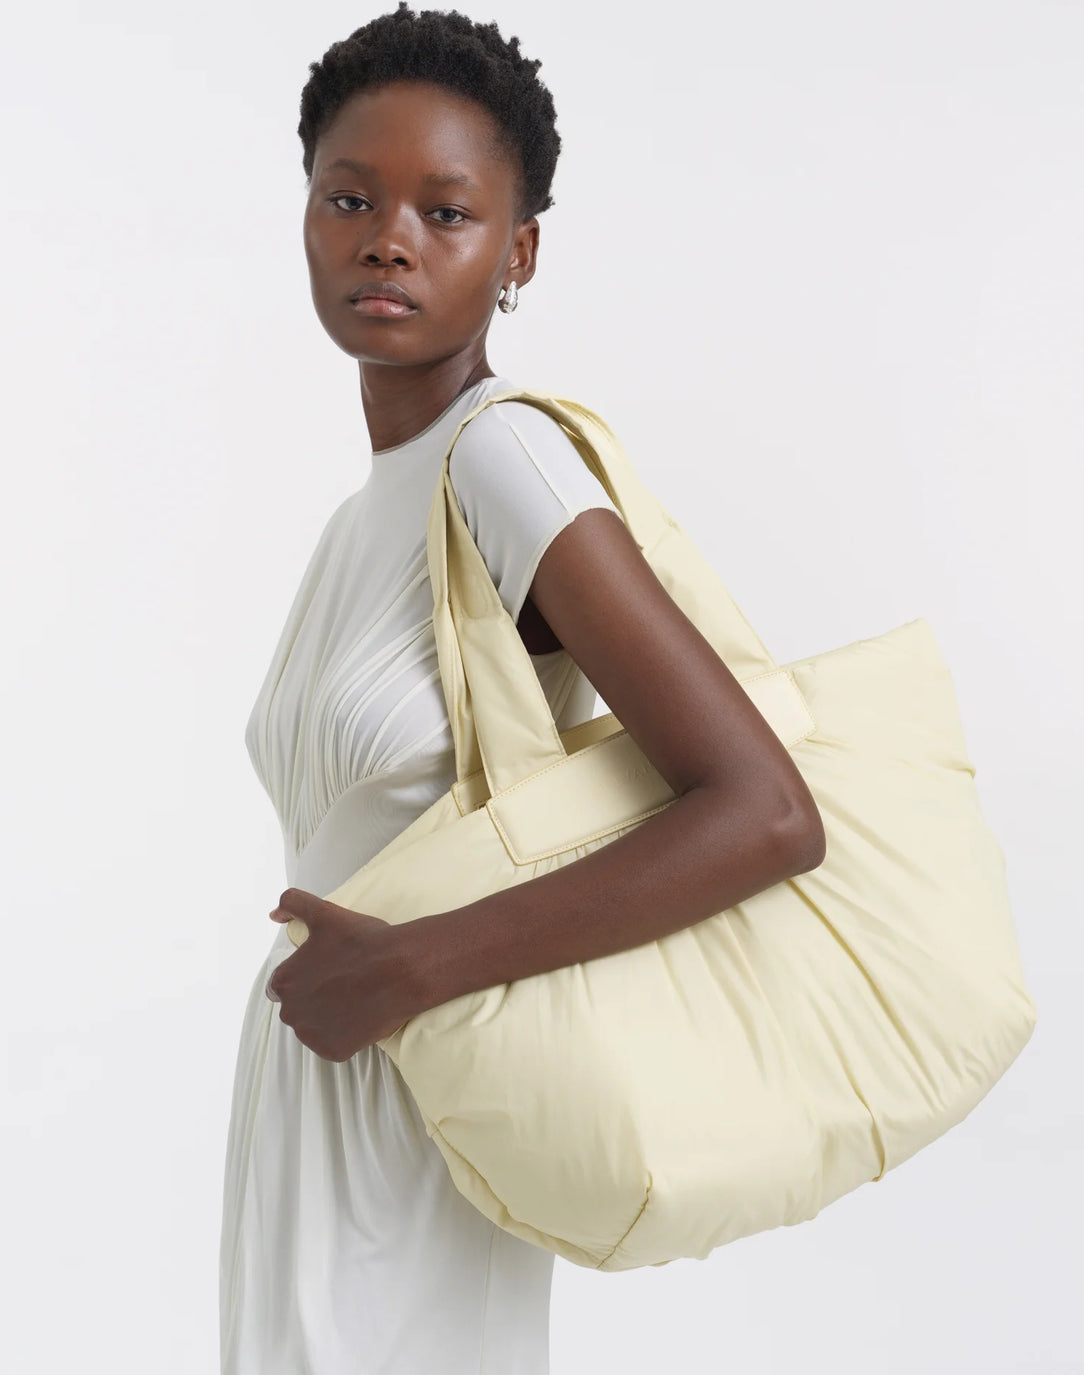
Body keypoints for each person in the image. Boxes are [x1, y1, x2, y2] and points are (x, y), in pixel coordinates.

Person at [219, 5, 827, 1372]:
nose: (388, 239)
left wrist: (410, 969)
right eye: (350, 198)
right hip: (321, 1092)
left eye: (446, 211)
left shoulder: (505, 461)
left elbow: (765, 810)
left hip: (417, 1090)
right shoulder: (370, 509)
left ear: (519, 253)